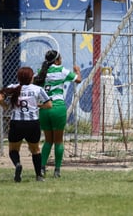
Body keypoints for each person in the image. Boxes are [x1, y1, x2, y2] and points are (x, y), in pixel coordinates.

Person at [0, 67, 52, 182]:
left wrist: (6, 106)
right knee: (35, 149)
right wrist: (38, 105)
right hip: (33, 124)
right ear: (31, 78)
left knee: (13, 149)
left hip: (17, 123)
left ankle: (17, 164)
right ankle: (39, 176)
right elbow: (49, 105)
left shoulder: (13, 87)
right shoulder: (37, 89)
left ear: (19, 77)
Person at [33, 50, 82, 178]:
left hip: (44, 108)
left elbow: (33, 81)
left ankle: (42, 168)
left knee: (48, 140)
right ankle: (57, 170)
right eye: (60, 58)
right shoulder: (61, 70)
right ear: (56, 60)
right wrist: (77, 71)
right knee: (58, 141)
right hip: (58, 107)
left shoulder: (41, 71)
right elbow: (78, 80)